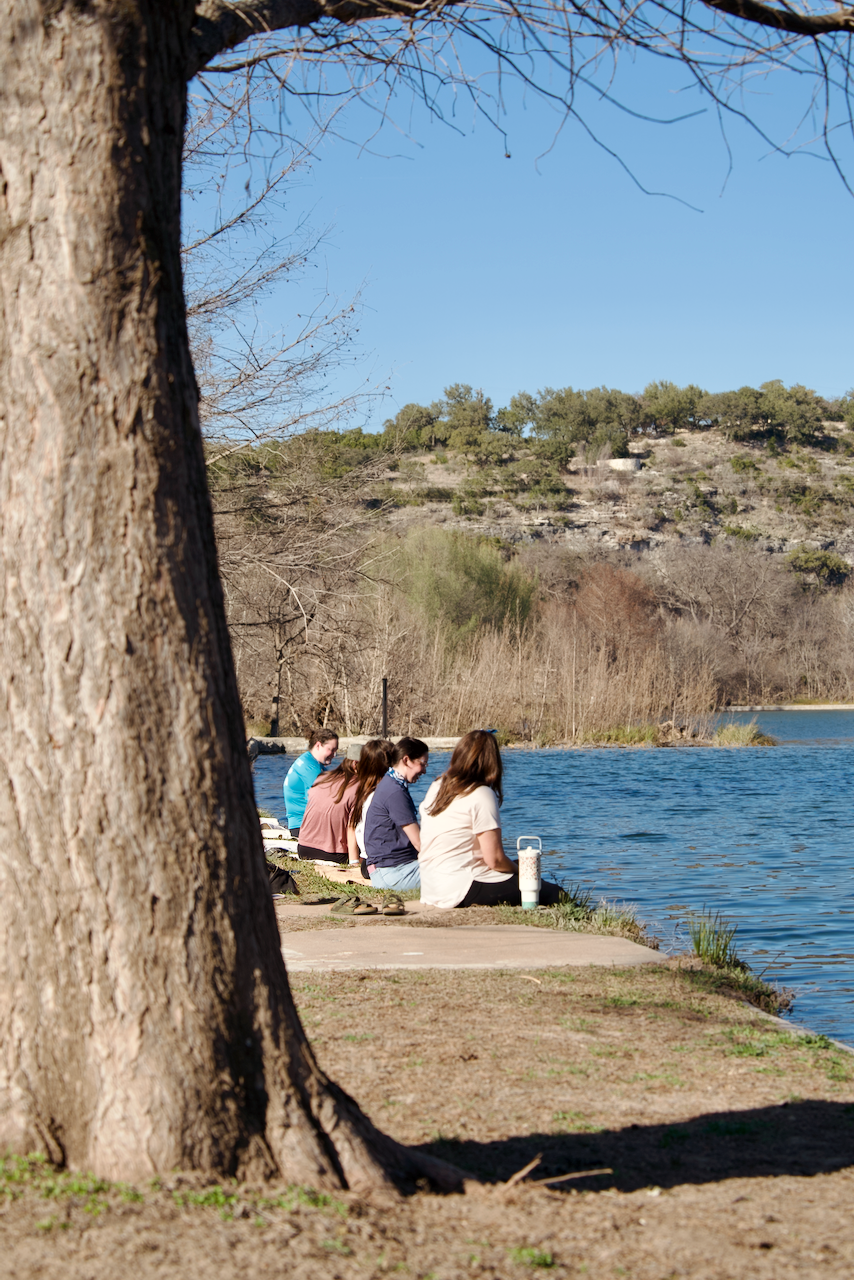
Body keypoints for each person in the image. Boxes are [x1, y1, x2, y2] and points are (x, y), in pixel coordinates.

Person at [419, 729, 564, 909]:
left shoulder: (437, 785)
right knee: (556, 893)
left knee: (518, 868)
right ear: (492, 762)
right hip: (461, 886)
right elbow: (494, 859)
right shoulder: (481, 794)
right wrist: (522, 872)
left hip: (430, 886)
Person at [363, 737, 429, 891]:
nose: (425, 770)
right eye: (422, 764)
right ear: (406, 760)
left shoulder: (390, 783)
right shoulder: (394, 792)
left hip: (390, 870)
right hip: (393, 874)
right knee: (456, 871)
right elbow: (419, 843)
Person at [296, 743, 360, 865]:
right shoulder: (358, 787)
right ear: (355, 764)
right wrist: (354, 863)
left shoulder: (322, 777)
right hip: (333, 854)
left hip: (304, 849)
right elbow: (352, 828)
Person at [346, 738, 394, 876]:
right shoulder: (384, 795)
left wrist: (354, 860)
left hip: (367, 864)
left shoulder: (364, 791)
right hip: (381, 865)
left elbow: (352, 826)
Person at [282, 728, 339, 835]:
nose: (334, 755)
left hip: (303, 824)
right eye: (331, 749)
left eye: (336, 750)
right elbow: (320, 802)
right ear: (318, 745)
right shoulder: (310, 768)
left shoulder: (309, 761)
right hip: (303, 827)